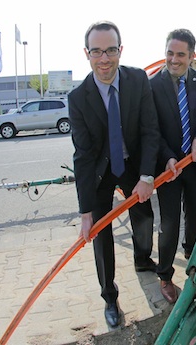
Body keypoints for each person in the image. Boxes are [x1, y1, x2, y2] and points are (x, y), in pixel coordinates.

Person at [68, 21, 160, 328]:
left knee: (144, 217)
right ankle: (109, 296)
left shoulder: (137, 80)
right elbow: (82, 156)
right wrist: (85, 213)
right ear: (87, 53)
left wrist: (146, 176)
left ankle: (143, 259)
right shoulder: (78, 98)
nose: (104, 58)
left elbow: (149, 130)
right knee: (100, 232)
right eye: (97, 51)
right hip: (99, 171)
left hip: (132, 164)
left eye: (110, 50)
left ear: (120, 50)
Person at [149, 28, 196, 304]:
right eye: (170, 53)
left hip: (194, 164)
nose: (174, 59)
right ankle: (165, 276)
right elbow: (151, 129)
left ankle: (192, 259)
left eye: (180, 54)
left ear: (191, 56)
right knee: (169, 223)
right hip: (167, 167)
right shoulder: (153, 85)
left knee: (195, 215)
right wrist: (168, 157)